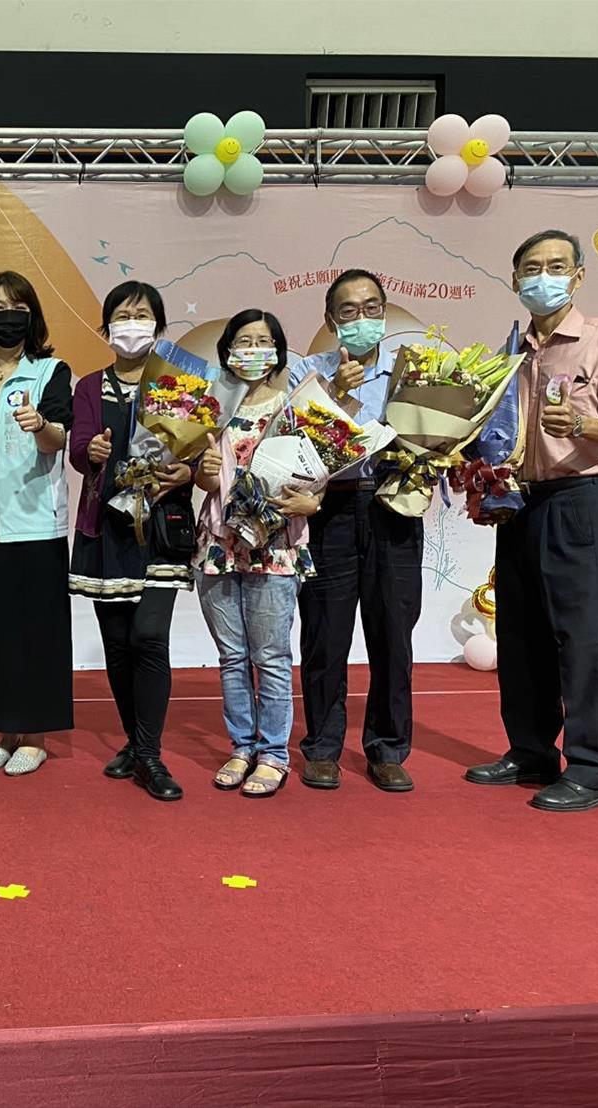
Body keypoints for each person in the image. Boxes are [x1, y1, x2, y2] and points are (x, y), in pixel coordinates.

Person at [466, 230, 598, 812]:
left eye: (555, 266)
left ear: (578, 276)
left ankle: (594, 770)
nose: (542, 277)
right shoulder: (509, 351)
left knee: (584, 636)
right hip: (517, 501)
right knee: (519, 633)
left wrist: (579, 425)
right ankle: (530, 751)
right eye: (531, 267)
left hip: (577, 499)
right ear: (515, 279)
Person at [289, 269, 420, 793]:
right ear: (330, 319)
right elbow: (296, 446)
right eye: (348, 310)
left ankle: (388, 749)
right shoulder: (308, 372)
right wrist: (336, 396)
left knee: (393, 634)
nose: (361, 318)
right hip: (328, 508)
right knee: (324, 635)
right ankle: (323, 748)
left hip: (393, 506)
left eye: (371, 308)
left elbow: (433, 439)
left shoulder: (412, 371)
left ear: (384, 313)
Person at [68, 281, 191, 801]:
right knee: (117, 646)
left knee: (149, 637)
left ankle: (150, 756)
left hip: (160, 530)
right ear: (106, 328)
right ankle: (136, 744)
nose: (132, 324)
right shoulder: (89, 387)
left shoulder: (178, 384)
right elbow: (77, 450)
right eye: (122, 315)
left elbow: (198, 450)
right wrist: (90, 452)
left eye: (142, 316)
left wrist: (187, 471)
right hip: (107, 529)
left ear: (158, 326)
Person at [193, 310, 319, 798]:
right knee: (232, 656)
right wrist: (205, 470)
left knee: (270, 656)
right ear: (227, 351)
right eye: (243, 341)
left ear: (278, 351)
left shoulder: (296, 405)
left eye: (263, 341)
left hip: (274, 543)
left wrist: (312, 501)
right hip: (219, 543)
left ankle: (273, 754)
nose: (252, 350)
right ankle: (241, 746)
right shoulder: (211, 406)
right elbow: (202, 478)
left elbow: (317, 473)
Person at [0, 271, 74, 775]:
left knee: (36, 636)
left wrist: (40, 425)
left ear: (32, 316)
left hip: (35, 526)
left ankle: (36, 736)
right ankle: (4, 730)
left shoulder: (50, 372)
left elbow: (58, 438)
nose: (7, 317)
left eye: (17, 308)